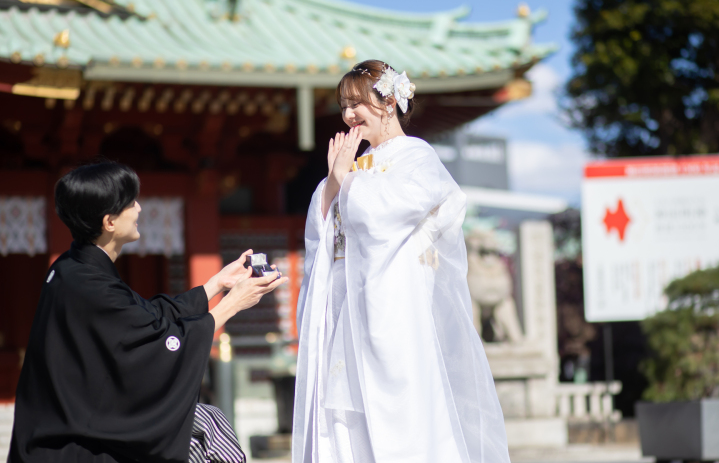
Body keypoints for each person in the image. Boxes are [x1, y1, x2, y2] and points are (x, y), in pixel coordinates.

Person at [294, 60, 510, 463]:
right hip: (343, 306)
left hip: (391, 308)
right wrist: (335, 180)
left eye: (357, 103)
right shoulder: (350, 164)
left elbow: (385, 215)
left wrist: (345, 179)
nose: (348, 115)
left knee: (399, 417)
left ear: (389, 103)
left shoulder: (416, 158)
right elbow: (321, 232)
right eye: (344, 106)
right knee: (342, 413)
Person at [8, 162, 287, 463]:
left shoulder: (72, 267)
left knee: (205, 422)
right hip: (75, 448)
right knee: (207, 428)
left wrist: (216, 284)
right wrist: (234, 304)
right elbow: (157, 346)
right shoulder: (89, 285)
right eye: (131, 203)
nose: (139, 208)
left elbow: (147, 317)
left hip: (74, 429)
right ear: (109, 222)